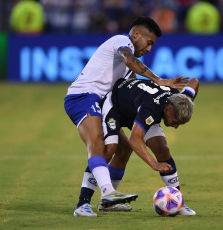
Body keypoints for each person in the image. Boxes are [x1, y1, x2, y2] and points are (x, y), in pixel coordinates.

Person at [64, 16, 188, 217]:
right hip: (82, 96)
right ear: (136, 34)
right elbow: (130, 60)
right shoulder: (121, 42)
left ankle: (108, 202)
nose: (149, 49)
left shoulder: (125, 65)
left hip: (101, 101)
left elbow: (133, 85)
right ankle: (85, 203)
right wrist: (158, 80)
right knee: (99, 145)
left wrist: (158, 92)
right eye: (149, 43)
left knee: (122, 148)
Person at [78, 77, 199, 217]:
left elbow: (194, 81)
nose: (176, 126)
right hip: (115, 106)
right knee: (107, 150)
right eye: (175, 121)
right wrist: (154, 164)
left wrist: (188, 101)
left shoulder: (181, 100)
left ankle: (179, 203)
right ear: (168, 109)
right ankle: (83, 203)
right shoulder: (151, 107)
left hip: (137, 107)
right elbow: (134, 139)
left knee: (162, 149)